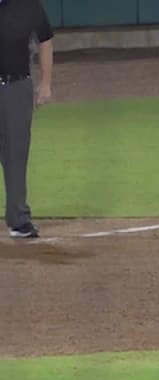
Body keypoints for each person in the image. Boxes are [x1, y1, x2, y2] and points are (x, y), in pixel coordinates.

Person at [0, 0, 54, 239]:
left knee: (16, 153)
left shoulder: (27, 3)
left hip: (17, 87)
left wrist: (45, 83)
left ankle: (18, 219)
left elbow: (45, 39)